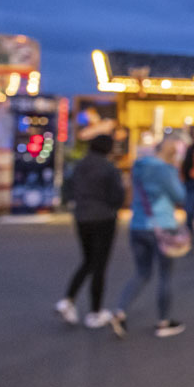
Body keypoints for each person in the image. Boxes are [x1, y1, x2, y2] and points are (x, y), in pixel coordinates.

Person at [110, 137, 186, 338]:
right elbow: (179, 195)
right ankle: (163, 322)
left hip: (138, 225)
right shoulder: (166, 171)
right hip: (162, 227)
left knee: (142, 273)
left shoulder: (139, 167)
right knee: (165, 275)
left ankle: (120, 310)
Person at [56, 135, 125, 328]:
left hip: (82, 217)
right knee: (99, 265)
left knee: (87, 261)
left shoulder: (79, 165)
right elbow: (117, 195)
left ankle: (68, 300)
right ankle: (95, 312)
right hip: (104, 218)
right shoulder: (109, 168)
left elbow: (67, 188)